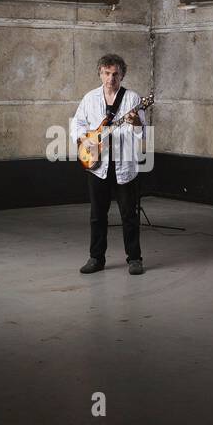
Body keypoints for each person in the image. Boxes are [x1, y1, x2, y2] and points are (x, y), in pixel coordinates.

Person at [72, 54, 147, 275]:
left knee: (129, 215)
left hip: (124, 165)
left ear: (122, 75)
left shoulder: (133, 99)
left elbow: (140, 132)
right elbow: (78, 123)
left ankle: (134, 259)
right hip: (97, 165)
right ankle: (96, 258)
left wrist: (136, 123)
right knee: (97, 214)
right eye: (106, 73)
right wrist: (85, 140)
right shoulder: (90, 98)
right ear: (100, 73)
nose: (110, 78)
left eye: (115, 74)